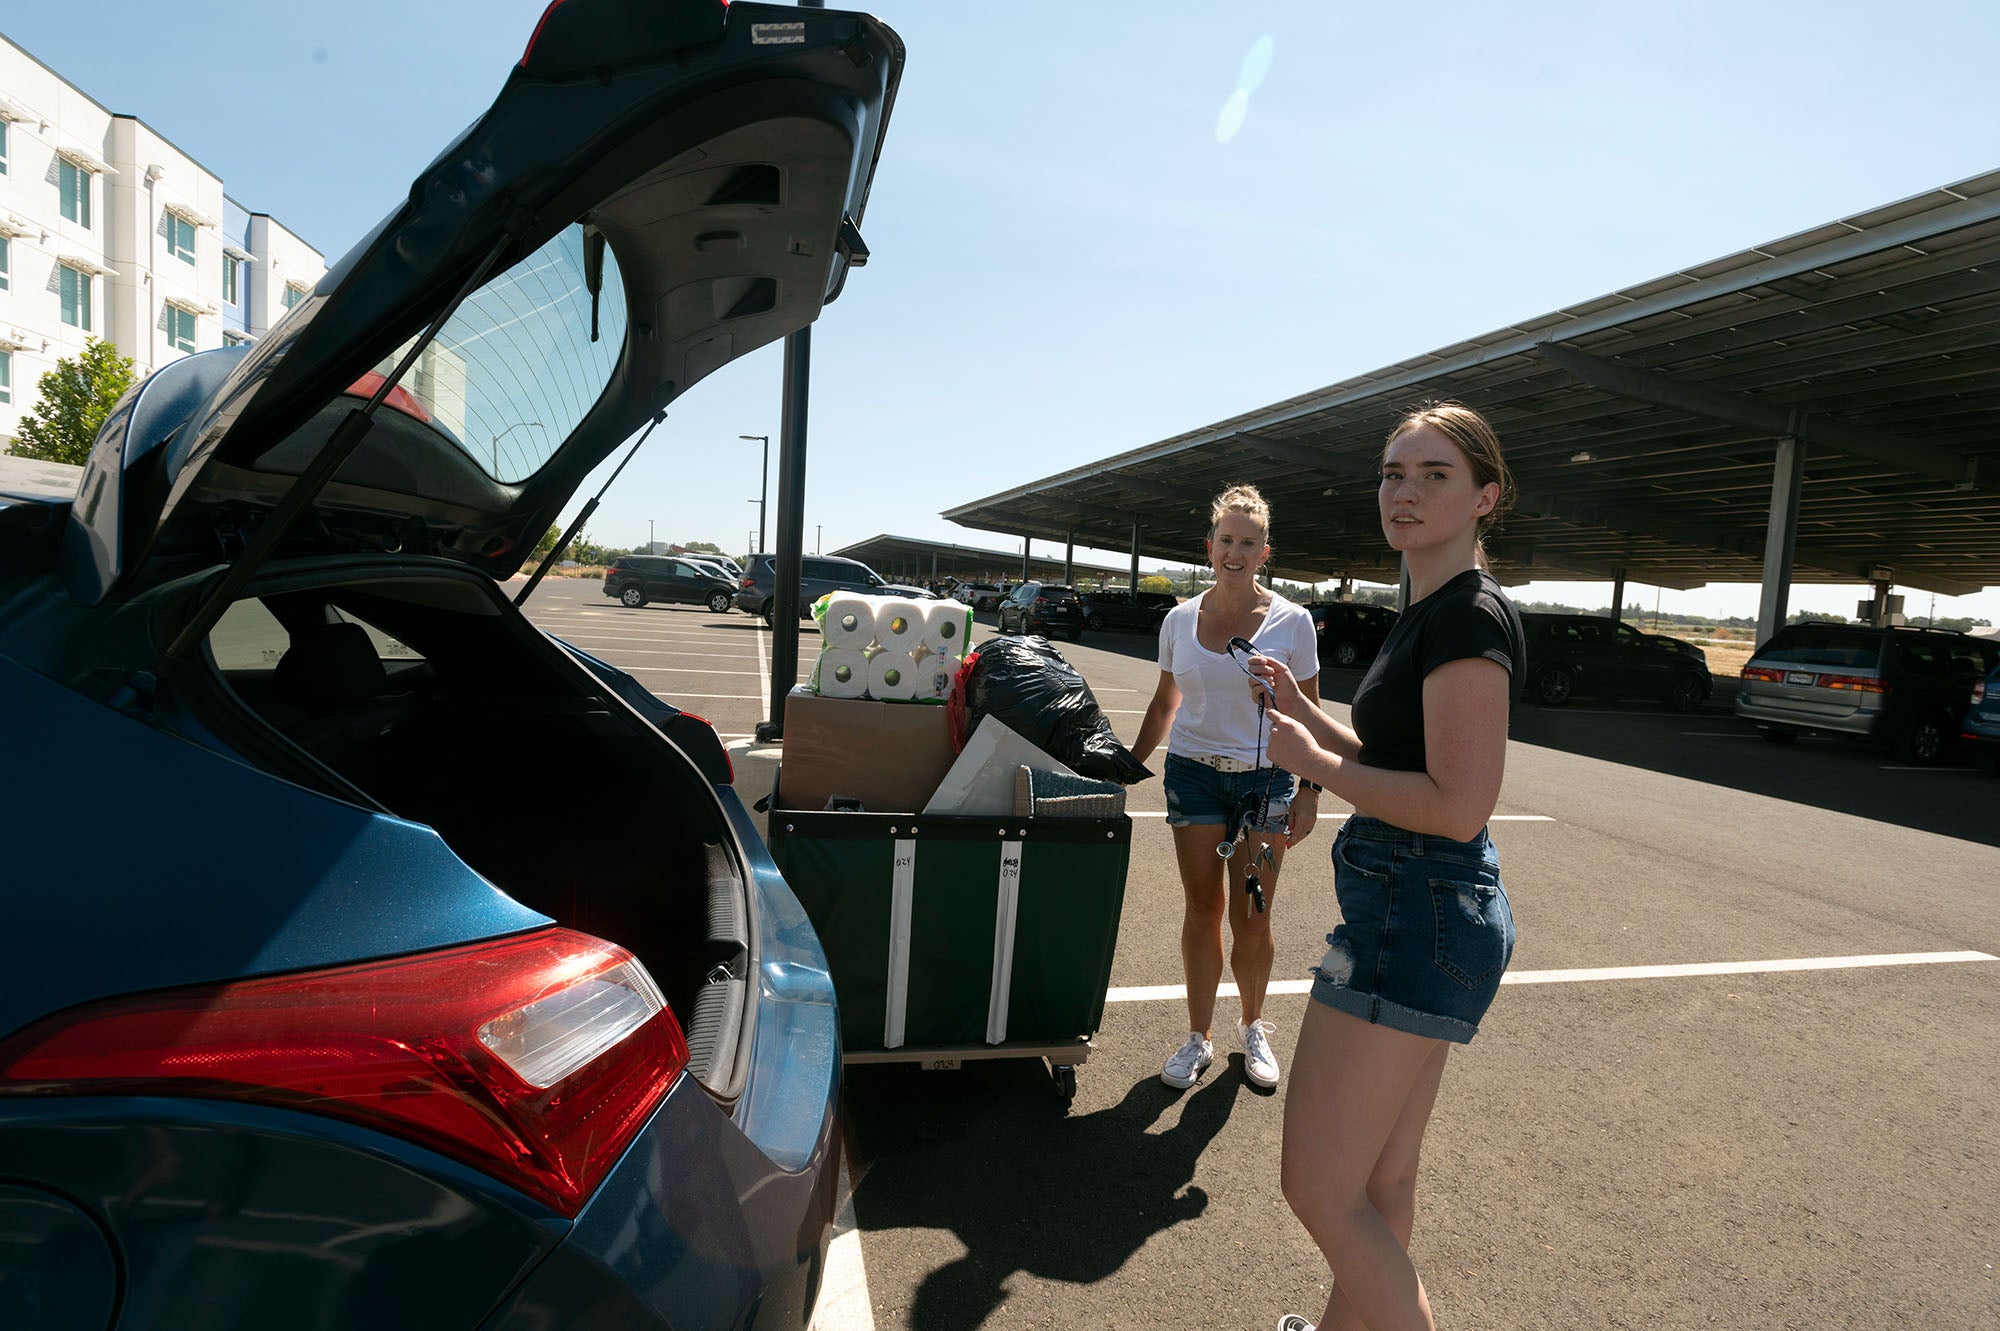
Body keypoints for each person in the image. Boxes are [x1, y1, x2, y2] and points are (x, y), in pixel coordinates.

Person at [1249, 402, 1525, 1331]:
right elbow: (1392, 754)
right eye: (1392, 473)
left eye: (1433, 475)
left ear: (1486, 496)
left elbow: (1456, 804)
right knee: (1380, 1175)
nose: (1403, 492)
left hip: (1414, 914)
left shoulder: (1469, 620)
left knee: (1319, 1190)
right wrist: (1308, 712)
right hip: (1424, 910)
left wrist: (1312, 764)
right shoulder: (1430, 609)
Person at [1132, 484, 1321, 1091]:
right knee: (1203, 908)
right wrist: (1126, 764)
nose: (1234, 552)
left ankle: (1254, 1025)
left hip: (1266, 782)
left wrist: (1312, 790)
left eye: (1248, 542)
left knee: (1253, 916)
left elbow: (1310, 714)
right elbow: (1166, 703)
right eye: (1226, 541)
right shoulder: (1179, 619)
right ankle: (1198, 1038)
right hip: (1193, 774)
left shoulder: (1293, 622)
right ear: (1209, 547)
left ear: (1266, 551)